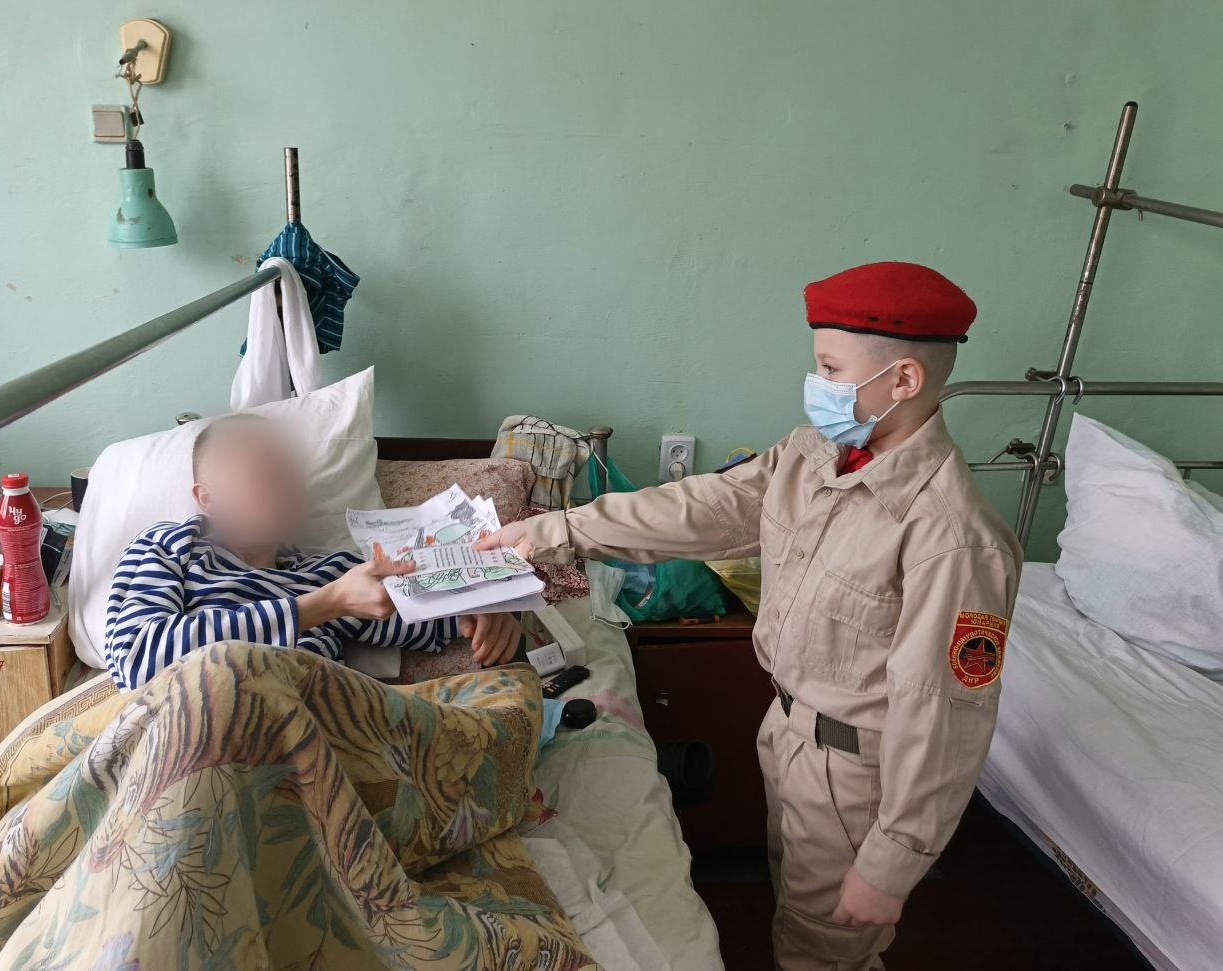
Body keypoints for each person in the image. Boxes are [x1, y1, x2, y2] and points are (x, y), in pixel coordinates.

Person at [478, 261, 1023, 969]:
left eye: (831, 368)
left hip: (858, 776)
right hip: (787, 731)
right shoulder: (816, 455)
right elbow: (702, 508)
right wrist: (553, 530)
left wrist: (894, 860)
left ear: (904, 381)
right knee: (798, 914)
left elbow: (945, 715)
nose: (817, 383)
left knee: (823, 951)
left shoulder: (953, 538)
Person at [105, 413, 520, 691]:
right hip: (202, 726)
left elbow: (425, 615)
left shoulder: (331, 575)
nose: (283, 489)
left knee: (511, 696)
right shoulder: (170, 546)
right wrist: (322, 606)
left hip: (312, 738)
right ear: (207, 498)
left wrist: (485, 609)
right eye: (261, 476)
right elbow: (139, 661)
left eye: (288, 475)